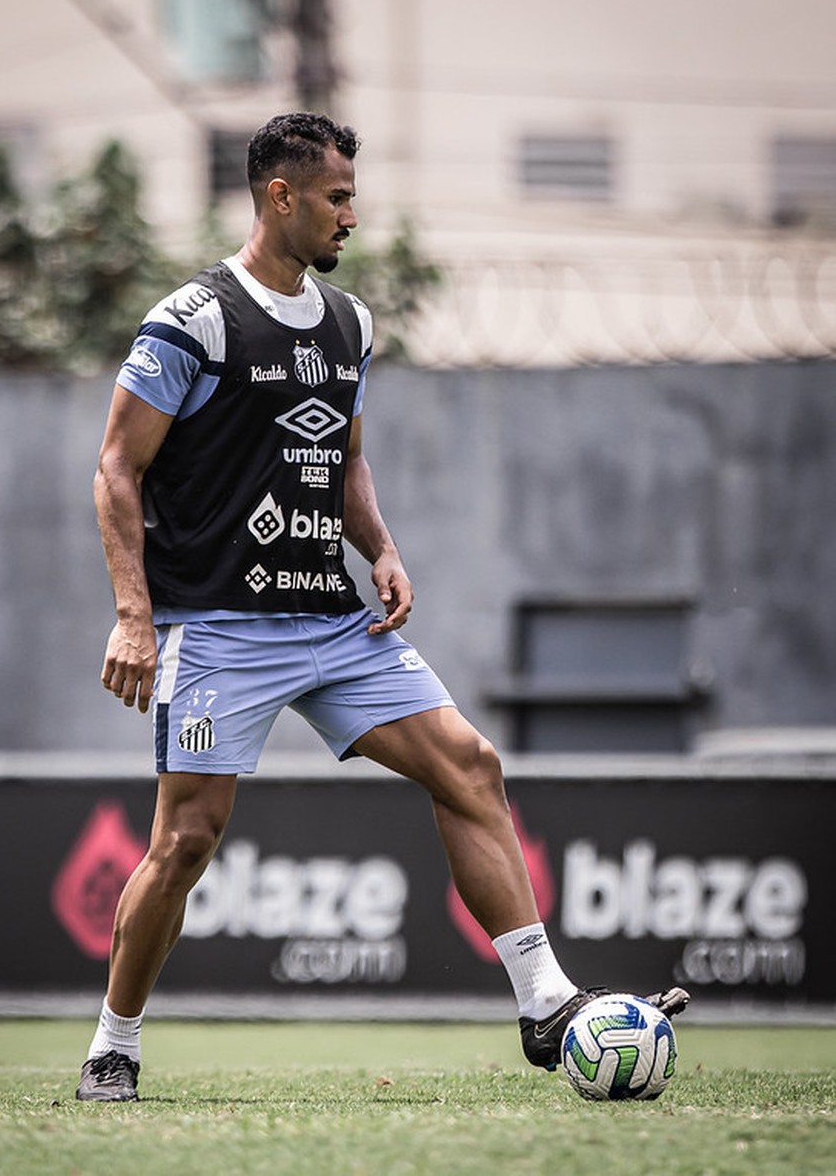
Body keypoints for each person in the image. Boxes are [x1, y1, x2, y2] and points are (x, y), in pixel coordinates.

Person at [77, 112, 688, 1102]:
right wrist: (133, 613)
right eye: (337, 197)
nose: (351, 215)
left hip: (335, 622)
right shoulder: (189, 320)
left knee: (470, 767)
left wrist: (383, 548)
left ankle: (544, 1004)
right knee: (184, 841)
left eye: (352, 196)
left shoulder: (350, 323)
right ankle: (115, 1043)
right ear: (282, 196)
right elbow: (115, 467)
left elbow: (346, 461)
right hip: (221, 630)